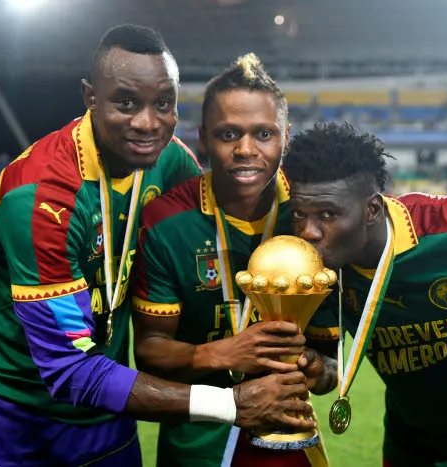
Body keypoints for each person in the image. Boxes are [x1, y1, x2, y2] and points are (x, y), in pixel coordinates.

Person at [0, 25, 315, 467]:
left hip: (105, 406)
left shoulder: (170, 160)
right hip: (10, 408)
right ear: (90, 97)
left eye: (163, 103)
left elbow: (227, 213)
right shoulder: (40, 197)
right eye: (126, 103)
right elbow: (67, 370)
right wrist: (230, 404)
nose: (147, 123)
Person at [282, 121, 447, 466]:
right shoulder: (315, 267)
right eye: (299, 214)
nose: (308, 232)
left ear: (372, 210)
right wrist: (318, 369)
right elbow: (329, 367)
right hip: (408, 443)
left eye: (327, 214)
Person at [131, 53, 336, 467]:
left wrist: (315, 368)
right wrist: (225, 354)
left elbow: (329, 363)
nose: (246, 149)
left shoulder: (312, 217)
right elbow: (150, 350)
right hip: (198, 442)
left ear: (286, 137)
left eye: (264, 134)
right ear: (203, 139)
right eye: (228, 134)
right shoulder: (167, 222)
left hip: (288, 438)